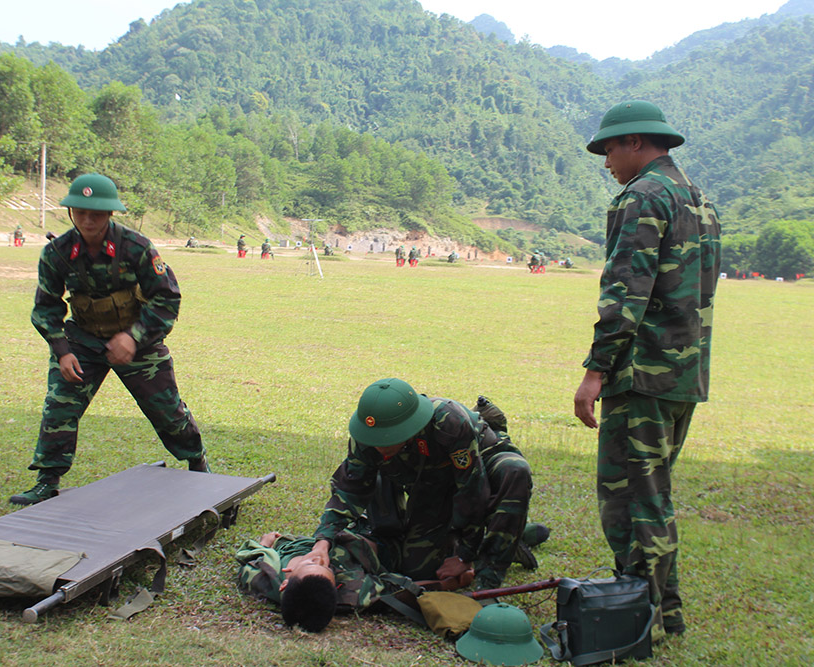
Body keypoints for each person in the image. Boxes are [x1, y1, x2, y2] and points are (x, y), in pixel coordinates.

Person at [573, 100, 721, 641]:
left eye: (610, 148)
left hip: (642, 375)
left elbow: (625, 294)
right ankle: (666, 610)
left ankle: (641, 620)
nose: (606, 160)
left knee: (630, 500)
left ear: (636, 142)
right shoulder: (697, 198)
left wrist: (596, 371)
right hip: (683, 375)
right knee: (652, 493)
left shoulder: (643, 197)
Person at [9, 173, 207, 505]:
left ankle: (197, 465)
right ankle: (47, 480)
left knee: (167, 411)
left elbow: (167, 298)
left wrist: (133, 337)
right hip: (82, 342)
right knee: (60, 406)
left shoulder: (136, 248)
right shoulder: (56, 254)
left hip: (137, 342)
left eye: (96, 214)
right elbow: (46, 307)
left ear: (110, 214)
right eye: (80, 212)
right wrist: (61, 351)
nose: (88, 220)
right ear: (71, 212)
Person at [312, 378, 536, 591]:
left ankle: (493, 565)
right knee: (420, 569)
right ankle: (511, 533)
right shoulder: (366, 436)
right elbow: (350, 488)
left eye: (388, 437)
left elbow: (472, 489)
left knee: (514, 470)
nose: (380, 447)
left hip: (480, 458)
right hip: (433, 479)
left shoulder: (448, 421)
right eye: (376, 438)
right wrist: (324, 540)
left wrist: (464, 556)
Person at [236, 529, 417, 632]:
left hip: (314, 537)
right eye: (327, 568)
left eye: (309, 565)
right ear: (336, 586)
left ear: (284, 584)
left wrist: (265, 543)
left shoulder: (263, 577)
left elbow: (249, 557)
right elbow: (399, 590)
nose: (320, 559)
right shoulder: (354, 593)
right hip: (372, 537)